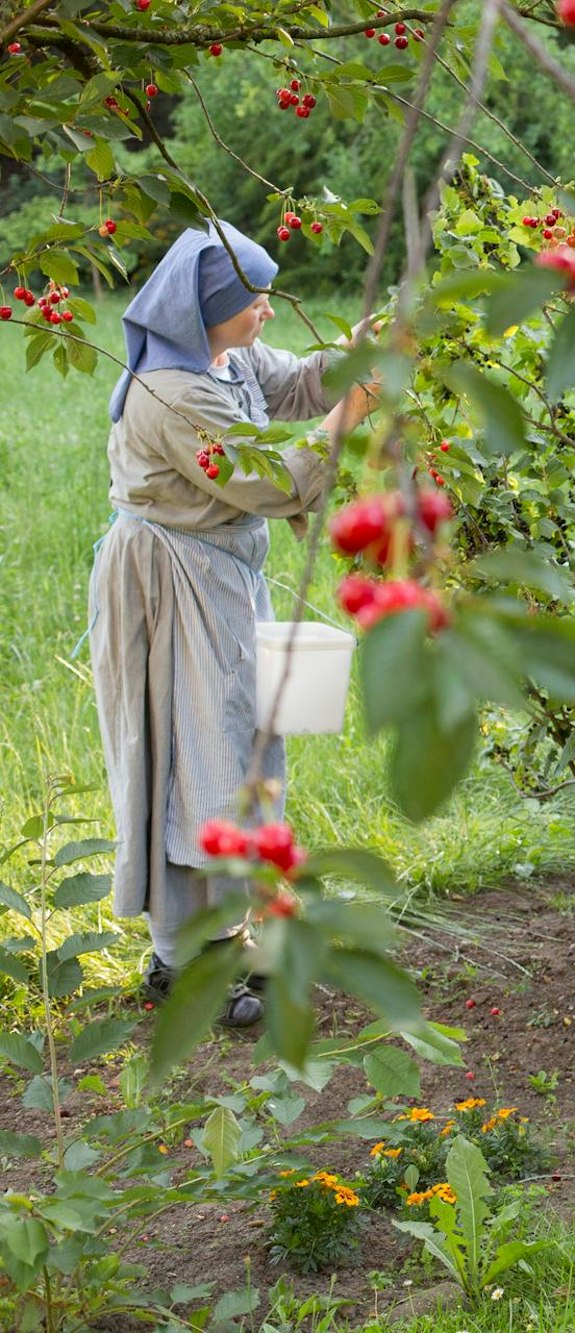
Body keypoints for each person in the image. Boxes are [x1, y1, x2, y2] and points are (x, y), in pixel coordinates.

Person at [91, 220, 376, 1027]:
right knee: (195, 760)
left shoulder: (223, 357)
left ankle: (229, 934)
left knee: (234, 745)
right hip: (169, 584)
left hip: (215, 578)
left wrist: (357, 354)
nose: (266, 313)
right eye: (252, 300)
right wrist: (347, 415)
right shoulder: (171, 394)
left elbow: (294, 386)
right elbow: (268, 479)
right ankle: (189, 961)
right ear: (209, 306)